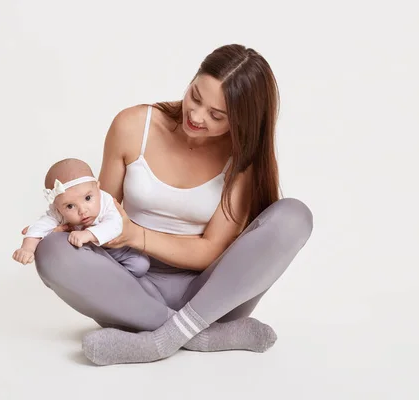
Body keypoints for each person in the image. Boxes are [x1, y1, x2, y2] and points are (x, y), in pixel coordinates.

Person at [30, 44, 314, 365]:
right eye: (195, 95)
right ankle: (202, 337)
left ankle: (160, 342)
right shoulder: (133, 126)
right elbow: (102, 210)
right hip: (130, 288)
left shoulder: (243, 159)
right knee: (51, 250)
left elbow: (210, 251)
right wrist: (63, 224)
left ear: (241, 120)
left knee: (295, 216)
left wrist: (137, 235)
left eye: (216, 115)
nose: (195, 115)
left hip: (211, 296)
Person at [13, 158, 150, 277]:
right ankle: (109, 277)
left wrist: (88, 234)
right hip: (94, 255)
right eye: (70, 206)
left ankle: (124, 280)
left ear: (98, 188)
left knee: (141, 264)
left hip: (121, 251)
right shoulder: (58, 212)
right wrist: (27, 248)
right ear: (57, 206)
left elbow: (115, 225)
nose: (83, 211)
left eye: (88, 198)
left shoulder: (106, 201)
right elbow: (41, 226)